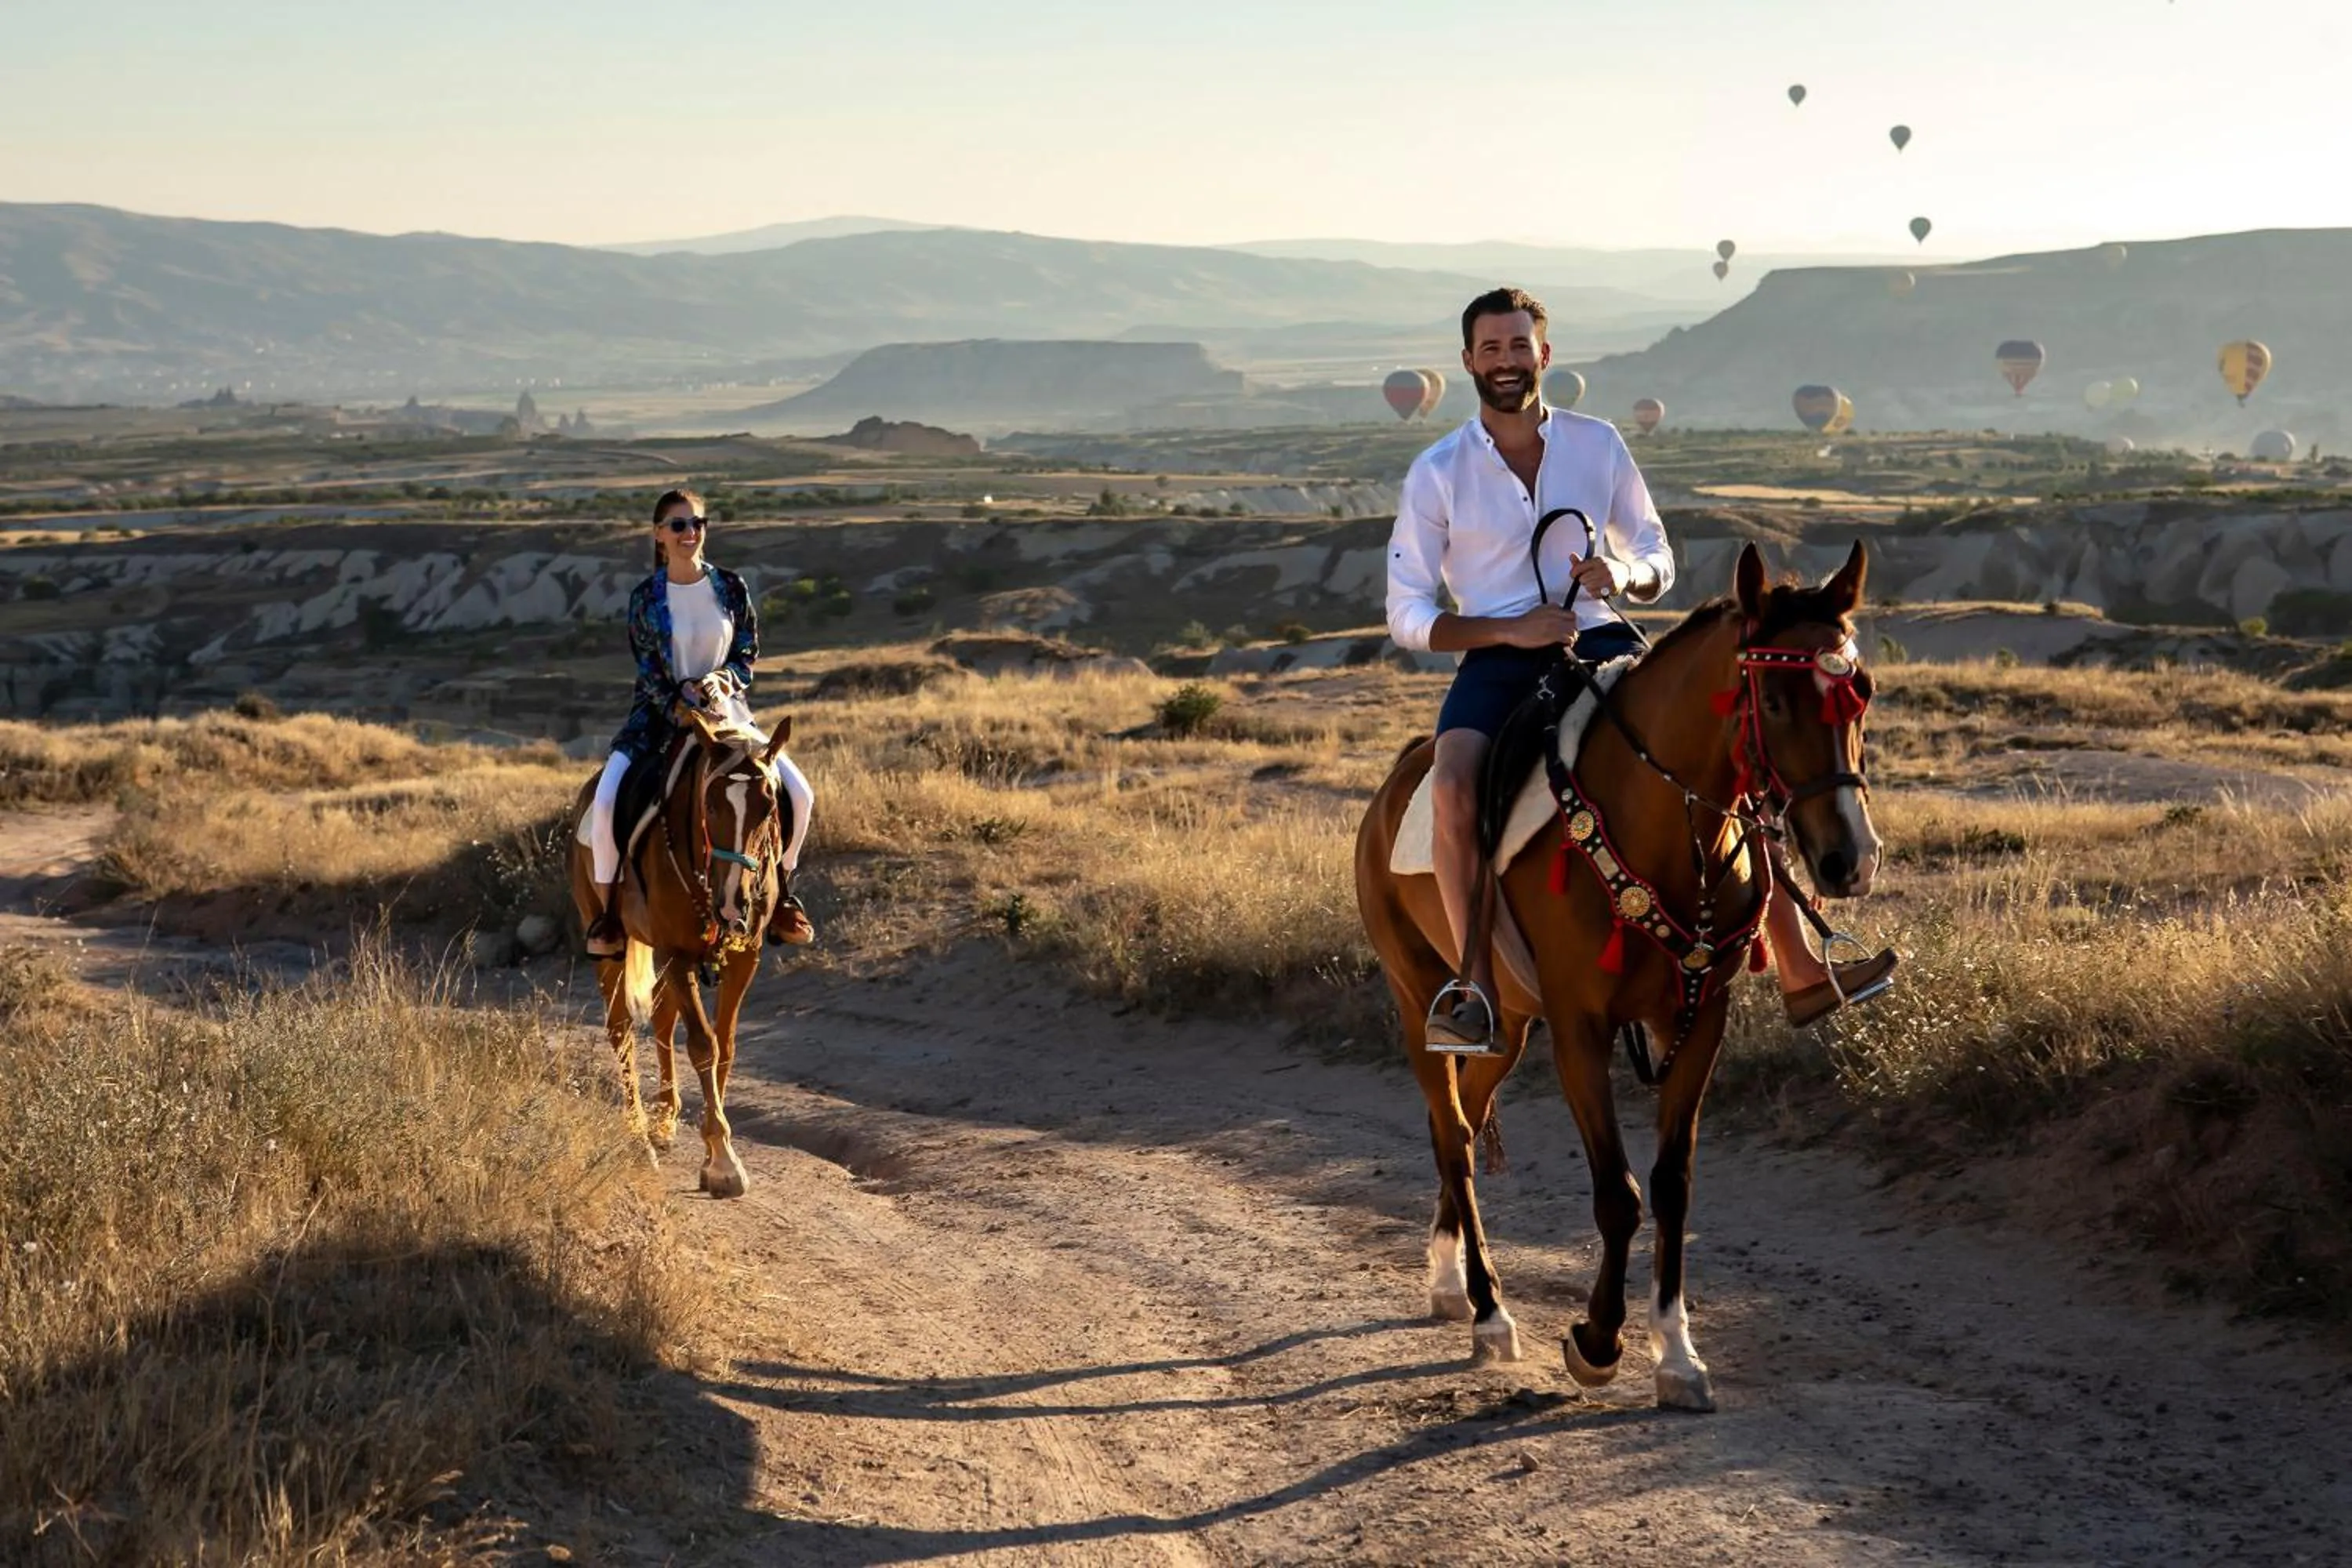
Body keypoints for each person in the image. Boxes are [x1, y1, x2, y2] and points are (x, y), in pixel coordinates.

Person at [1386, 288, 1896, 1053]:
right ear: (1467, 362)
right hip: (1495, 661)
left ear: (1544, 355)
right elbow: (1408, 613)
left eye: (1518, 346)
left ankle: (1799, 962)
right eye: (1490, 349)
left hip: (1601, 641)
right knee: (1455, 783)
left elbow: (1657, 555)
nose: (1505, 362)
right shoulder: (1438, 471)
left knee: (1732, 741)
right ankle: (1474, 989)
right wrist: (1508, 625)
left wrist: (1618, 575)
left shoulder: (1598, 445)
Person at [583, 487, 815, 957]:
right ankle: (609, 917)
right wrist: (679, 700)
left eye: (698, 524)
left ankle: (784, 895)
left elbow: (746, 653)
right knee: (606, 801)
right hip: (659, 719)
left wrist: (722, 681)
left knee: (801, 794)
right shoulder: (646, 598)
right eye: (679, 525)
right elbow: (647, 668)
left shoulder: (730, 587)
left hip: (728, 716)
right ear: (659, 535)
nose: (690, 533)